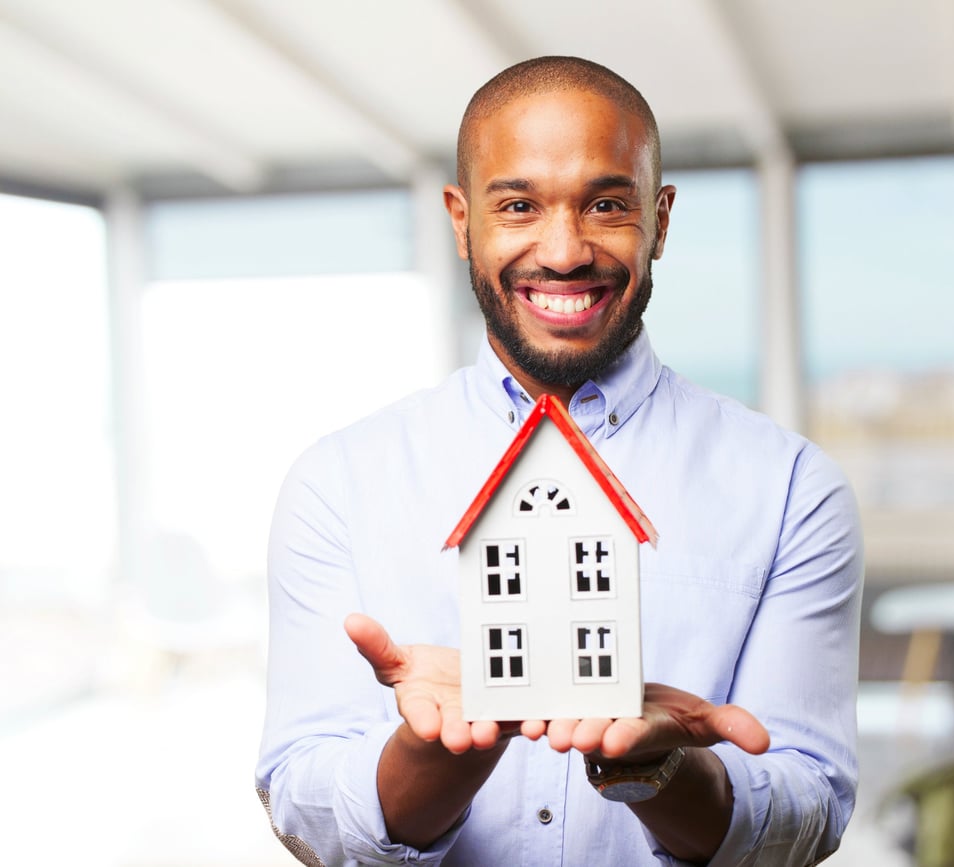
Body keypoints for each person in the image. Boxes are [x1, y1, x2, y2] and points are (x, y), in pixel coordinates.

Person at [256, 56, 863, 867]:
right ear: (461, 219)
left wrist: (662, 771)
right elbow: (302, 802)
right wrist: (444, 752)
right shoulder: (337, 482)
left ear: (661, 218)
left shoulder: (793, 487)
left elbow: (809, 810)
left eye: (607, 204)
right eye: (518, 205)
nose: (565, 250)